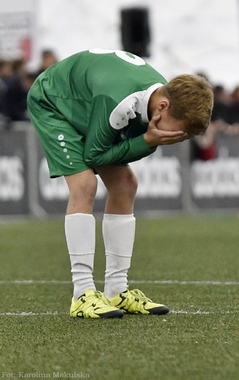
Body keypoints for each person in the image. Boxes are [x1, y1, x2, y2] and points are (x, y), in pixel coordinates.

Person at [27, 48, 213, 319]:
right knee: (84, 184)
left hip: (86, 102)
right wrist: (147, 142)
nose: (178, 137)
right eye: (179, 130)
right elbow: (95, 155)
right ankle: (82, 294)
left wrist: (146, 141)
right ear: (163, 107)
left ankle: (117, 289)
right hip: (53, 102)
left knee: (126, 184)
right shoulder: (122, 102)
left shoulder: (160, 96)